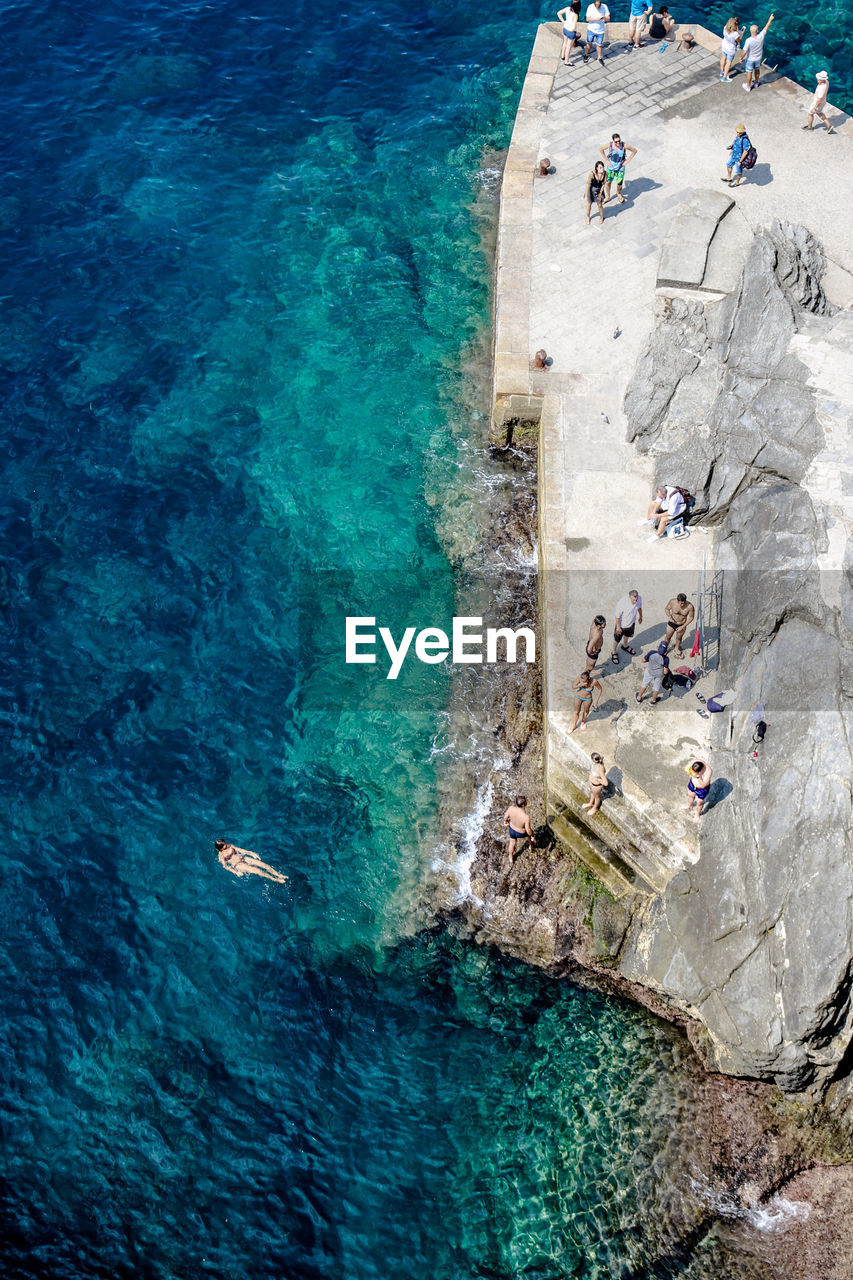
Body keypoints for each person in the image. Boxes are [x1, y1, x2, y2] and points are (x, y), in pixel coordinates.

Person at [215, 840, 289, 884]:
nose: (226, 844)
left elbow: (240, 850)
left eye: (225, 843)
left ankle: (279, 875)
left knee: (264, 865)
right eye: (224, 845)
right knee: (258, 871)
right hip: (238, 865)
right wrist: (236, 872)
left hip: (244, 858)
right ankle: (275, 879)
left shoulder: (230, 846)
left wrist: (251, 853)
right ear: (220, 848)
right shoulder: (221, 856)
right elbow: (225, 866)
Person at [599, 133, 637, 205]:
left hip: (620, 168)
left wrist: (627, 161)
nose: (618, 142)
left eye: (619, 140)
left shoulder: (624, 145)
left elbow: (634, 151)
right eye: (616, 141)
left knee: (619, 184)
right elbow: (601, 149)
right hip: (611, 168)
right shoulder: (610, 145)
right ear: (613, 141)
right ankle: (608, 196)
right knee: (608, 183)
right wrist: (606, 160)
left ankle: (618, 193)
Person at [741, 13, 774, 92]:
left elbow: (745, 51)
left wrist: (741, 58)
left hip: (750, 59)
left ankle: (748, 86)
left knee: (749, 72)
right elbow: (767, 27)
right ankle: (756, 83)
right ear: (757, 31)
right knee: (757, 70)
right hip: (758, 58)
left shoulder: (748, 40)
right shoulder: (761, 36)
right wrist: (770, 19)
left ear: (750, 31)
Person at [611, 589, 642, 663]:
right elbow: (617, 616)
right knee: (617, 640)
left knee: (627, 636)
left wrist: (641, 616)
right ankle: (614, 652)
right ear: (629, 597)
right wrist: (618, 627)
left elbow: (639, 607)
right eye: (634, 600)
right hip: (622, 625)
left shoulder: (639, 598)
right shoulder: (622, 603)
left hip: (631, 623)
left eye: (636, 599)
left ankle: (625, 646)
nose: (635, 602)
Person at [504, 796, 536, 862]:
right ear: (523, 805)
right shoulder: (526, 817)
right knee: (529, 836)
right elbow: (528, 830)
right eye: (526, 801)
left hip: (512, 830)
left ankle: (510, 857)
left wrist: (505, 822)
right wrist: (532, 836)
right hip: (521, 833)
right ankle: (531, 846)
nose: (527, 801)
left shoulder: (511, 809)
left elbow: (505, 817)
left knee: (512, 843)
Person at [663, 593, 695, 657]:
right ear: (677, 601)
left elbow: (691, 617)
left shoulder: (690, 606)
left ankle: (676, 648)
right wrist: (669, 616)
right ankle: (665, 648)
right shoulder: (672, 602)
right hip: (672, 623)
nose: (682, 605)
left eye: (683, 603)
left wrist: (683, 626)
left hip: (682, 624)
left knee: (679, 638)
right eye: (680, 603)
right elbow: (667, 609)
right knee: (668, 637)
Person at [583, 0, 610, 66]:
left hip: (600, 30)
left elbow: (608, 19)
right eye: (597, 8)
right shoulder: (590, 7)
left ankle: (599, 57)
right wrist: (597, 19)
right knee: (589, 43)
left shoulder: (604, 7)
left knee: (599, 45)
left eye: (599, 7)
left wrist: (604, 17)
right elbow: (587, 19)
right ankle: (586, 54)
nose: (598, 9)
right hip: (591, 30)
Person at [719, 17, 743, 82]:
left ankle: (722, 72)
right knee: (729, 63)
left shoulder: (725, 28)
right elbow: (739, 41)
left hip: (724, 45)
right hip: (730, 49)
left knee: (723, 58)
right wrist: (742, 33)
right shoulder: (735, 34)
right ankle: (724, 78)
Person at [585, 160, 608, 225]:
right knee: (589, 204)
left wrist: (600, 193)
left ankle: (601, 217)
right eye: (600, 168)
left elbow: (604, 184)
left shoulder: (605, 174)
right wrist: (586, 196)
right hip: (591, 189)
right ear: (597, 168)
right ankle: (588, 217)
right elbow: (588, 185)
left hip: (599, 189)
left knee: (600, 205)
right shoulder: (592, 174)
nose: (602, 169)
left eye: (603, 167)